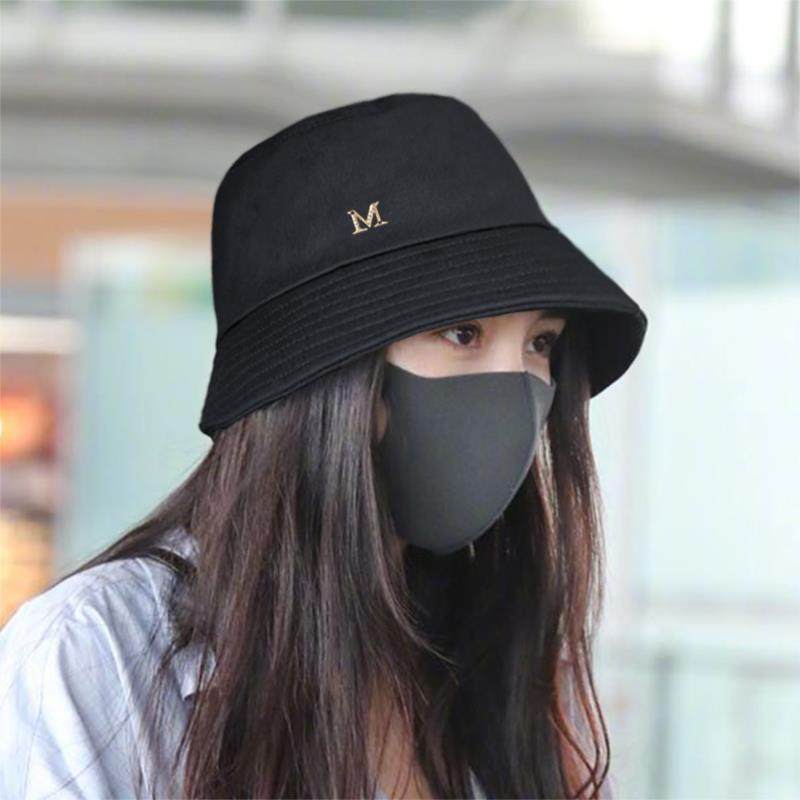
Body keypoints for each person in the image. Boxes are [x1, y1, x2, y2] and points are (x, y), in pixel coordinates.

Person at [0, 93, 646, 799]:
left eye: (541, 342)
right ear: (320, 383)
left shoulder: (514, 668)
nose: (518, 384)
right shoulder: (95, 657)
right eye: (463, 333)